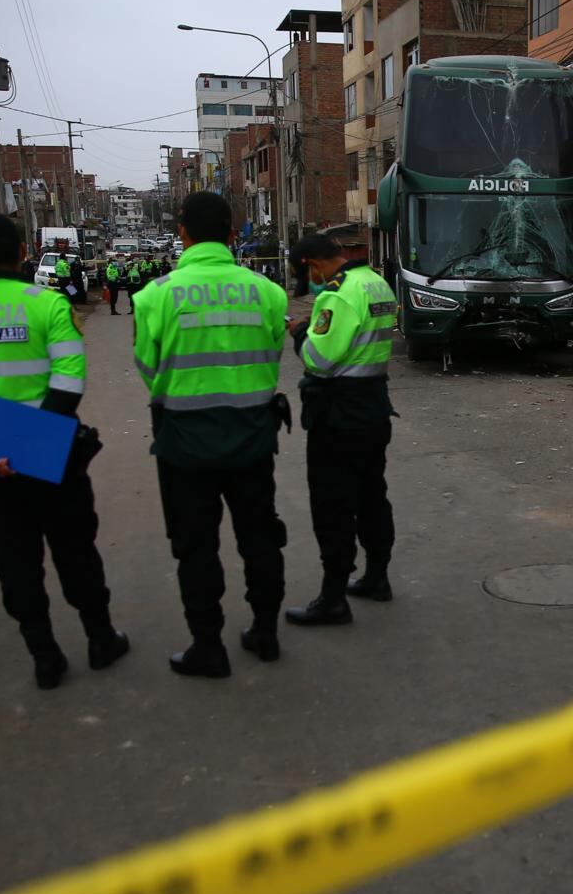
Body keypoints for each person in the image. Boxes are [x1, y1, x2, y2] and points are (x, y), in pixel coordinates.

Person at [0, 213, 129, 690]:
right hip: (52, 451)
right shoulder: (49, 306)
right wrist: (30, 444)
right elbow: (68, 384)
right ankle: (100, 639)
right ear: (21, 253)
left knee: (15, 557)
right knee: (75, 548)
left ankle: (45, 656)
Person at [133, 191, 291, 677]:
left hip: (183, 445)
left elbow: (147, 366)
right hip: (252, 438)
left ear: (181, 232)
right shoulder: (267, 292)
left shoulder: (154, 295)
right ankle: (266, 635)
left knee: (195, 548)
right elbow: (272, 354)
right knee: (260, 540)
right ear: (230, 234)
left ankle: (209, 647)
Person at [285, 233, 398, 626]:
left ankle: (332, 598)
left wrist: (300, 331)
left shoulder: (338, 294)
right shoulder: (375, 282)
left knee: (332, 505)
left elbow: (319, 361)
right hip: (373, 409)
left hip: (337, 416)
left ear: (313, 265)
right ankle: (376, 577)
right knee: (371, 496)